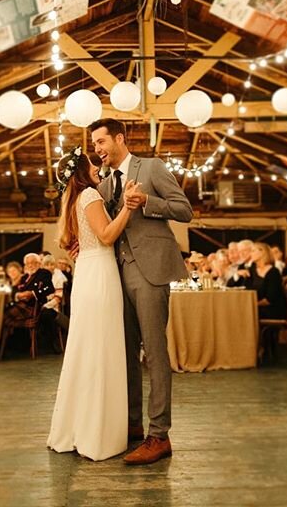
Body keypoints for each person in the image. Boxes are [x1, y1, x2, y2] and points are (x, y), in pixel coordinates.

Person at [83, 118, 192, 465]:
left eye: (101, 142)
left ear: (119, 138)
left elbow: (184, 210)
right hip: (117, 273)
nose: (97, 149)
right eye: (94, 145)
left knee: (155, 353)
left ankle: (159, 435)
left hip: (151, 270)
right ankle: (131, 425)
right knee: (125, 352)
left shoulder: (152, 167)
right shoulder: (102, 185)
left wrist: (147, 200)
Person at [47, 146, 140, 461]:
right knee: (101, 347)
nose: (97, 166)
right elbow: (107, 236)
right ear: (81, 172)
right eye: (91, 163)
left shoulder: (74, 200)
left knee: (86, 348)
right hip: (100, 271)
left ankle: (79, 425)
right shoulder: (89, 196)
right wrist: (127, 208)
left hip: (87, 271)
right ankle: (98, 433)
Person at [250, 242, 287, 319]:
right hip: (257, 307)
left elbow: (270, 299)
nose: (251, 254)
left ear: (262, 252)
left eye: (253, 251)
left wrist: (253, 305)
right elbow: (246, 289)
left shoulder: (273, 272)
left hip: (270, 310)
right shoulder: (252, 270)